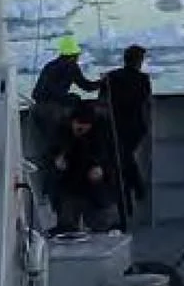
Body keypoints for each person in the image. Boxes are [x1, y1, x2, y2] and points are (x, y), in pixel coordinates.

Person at [100, 44, 154, 222]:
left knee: (121, 161)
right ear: (138, 61)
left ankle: (130, 199)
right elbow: (145, 101)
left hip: (115, 126)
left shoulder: (111, 77)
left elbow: (102, 100)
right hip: (135, 127)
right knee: (124, 159)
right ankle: (135, 192)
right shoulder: (143, 79)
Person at [48, 105, 118, 236]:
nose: (81, 127)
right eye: (78, 123)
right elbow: (53, 152)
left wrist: (101, 168)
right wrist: (58, 160)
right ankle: (67, 224)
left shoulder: (100, 134)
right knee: (67, 219)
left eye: (86, 124)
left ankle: (104, 224)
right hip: (70, 181)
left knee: (102, 220)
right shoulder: (63, 131)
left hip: (93, 183)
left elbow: (110, 158)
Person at [29, 36, 96, 164]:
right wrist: (103, 82)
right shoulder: (71, 66)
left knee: (47, 142)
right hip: (53, 111)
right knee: (63, 139)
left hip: (38, 110)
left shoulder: (49, 65)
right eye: (77, 55)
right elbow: (86, 86)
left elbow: (37, 92)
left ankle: (47, 164)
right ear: (72, 55)